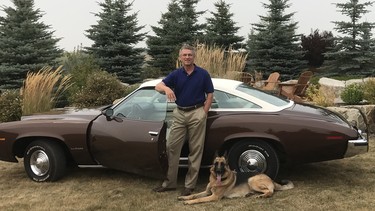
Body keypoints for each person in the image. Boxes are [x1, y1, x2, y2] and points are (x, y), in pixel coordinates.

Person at [153, 44, 214, 196]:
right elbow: (157, 86)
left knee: (196, 150)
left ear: (194, 57)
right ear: (180, 57)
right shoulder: (176, 74)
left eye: (190, 55)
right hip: (179, 113)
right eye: (184, 55)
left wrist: (203, 113)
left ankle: (190, 186)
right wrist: (167, 88)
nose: (187, 57)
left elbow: (210, 94)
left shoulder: (203, 74)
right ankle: (170, 183)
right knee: (172, 147)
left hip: (197, 113)